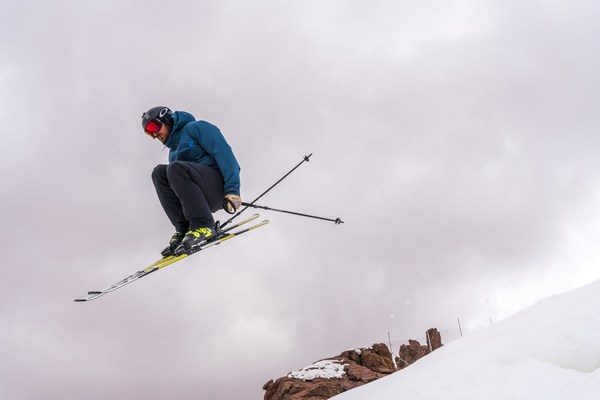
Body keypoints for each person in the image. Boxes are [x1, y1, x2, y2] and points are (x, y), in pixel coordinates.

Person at [141, 106, 242, 256]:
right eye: (149, 132)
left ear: (167, 119)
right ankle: (185, 229)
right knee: (159, 173)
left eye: (153, 126)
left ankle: (204, 225)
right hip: (199, 198)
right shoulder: (173, 153)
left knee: (174, 168)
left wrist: (233, 190)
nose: (155, 134)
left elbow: (224, 154)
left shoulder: (195, 128)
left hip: (218, 187)